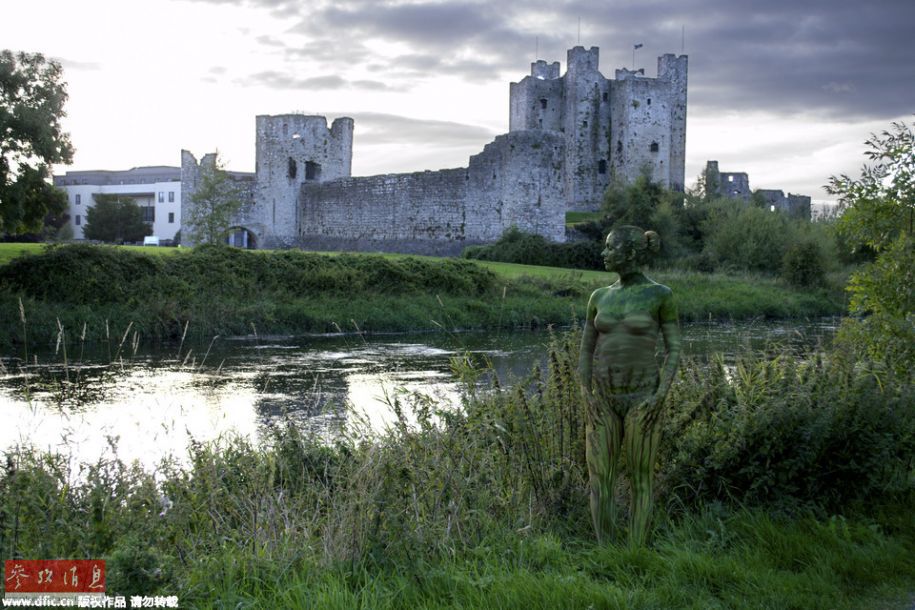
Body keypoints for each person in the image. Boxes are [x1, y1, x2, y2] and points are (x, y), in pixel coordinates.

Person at [579, 225, 682, 546]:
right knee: (600, 481)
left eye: (610, 248)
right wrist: (586, 396)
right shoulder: (599, 297)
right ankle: (606, 550)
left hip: (643, 400)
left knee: (641, 480)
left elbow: (674, 349)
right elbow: (585, 350)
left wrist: (660, 396)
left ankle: (635, 550)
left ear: (632, 253)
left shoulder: (660, 295)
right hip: (604, 401)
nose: (603, 254)